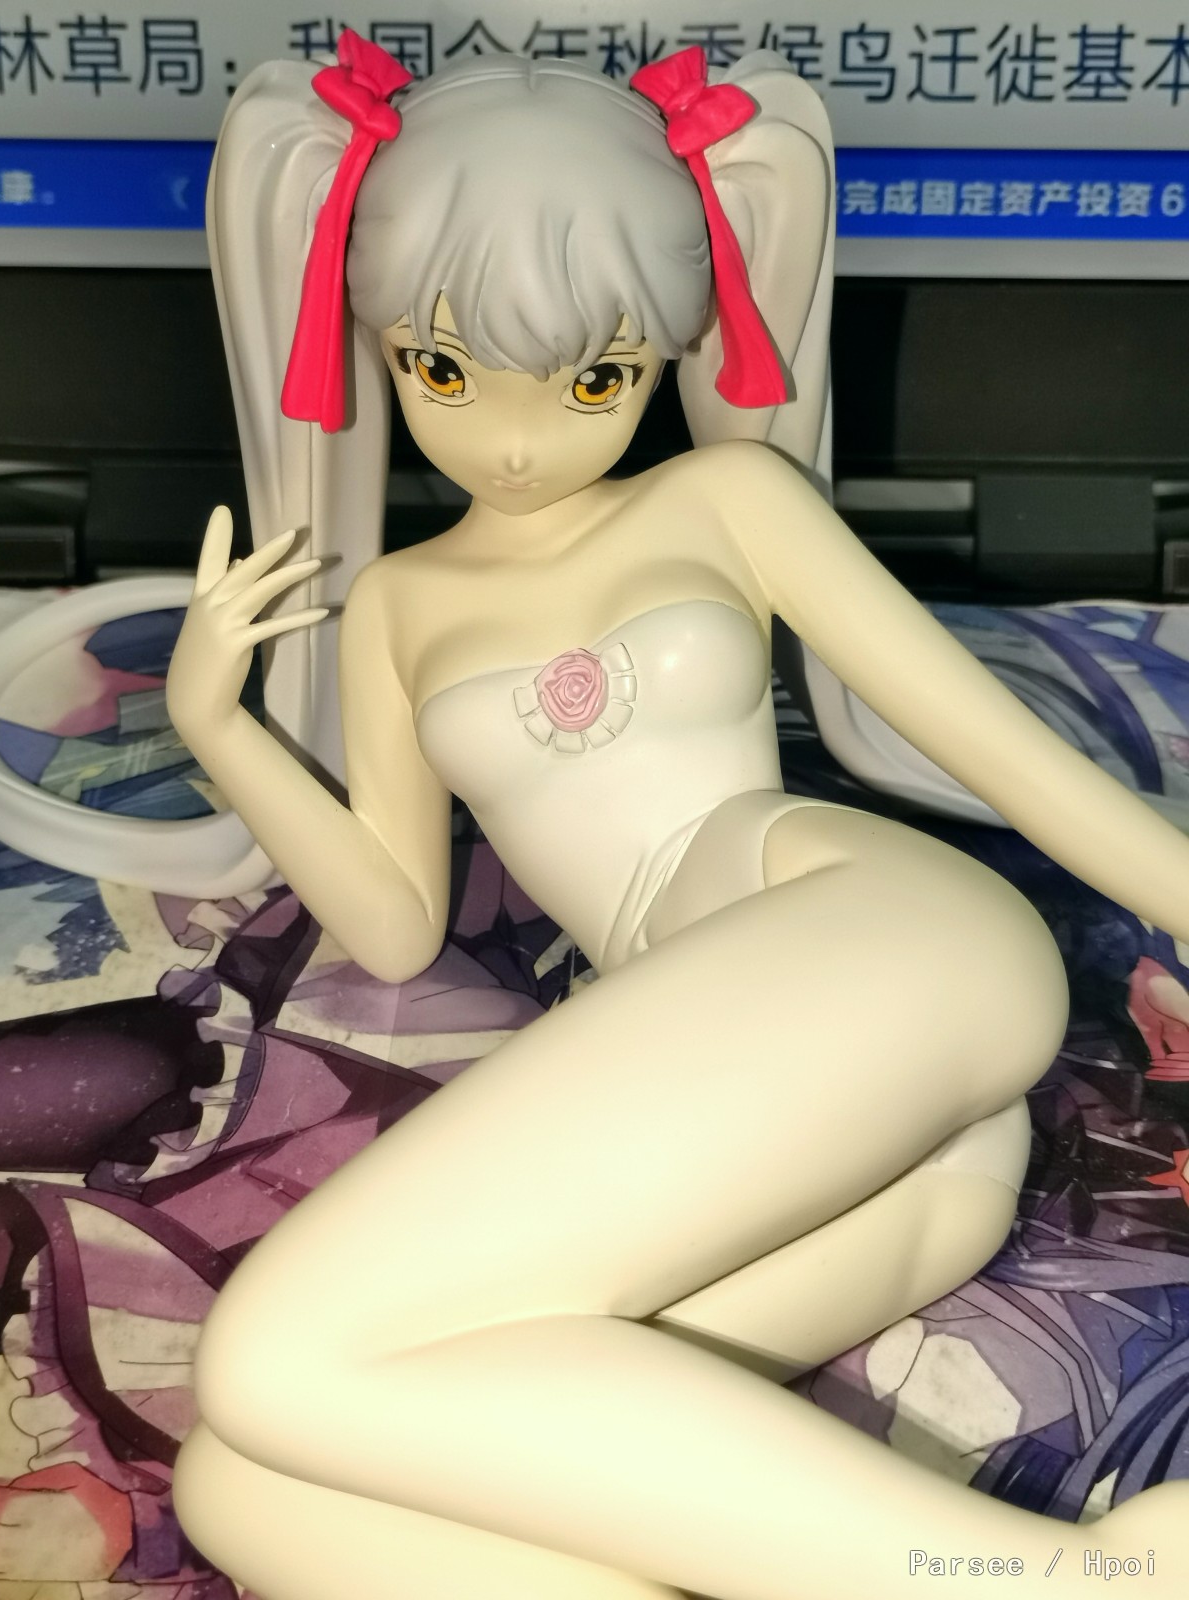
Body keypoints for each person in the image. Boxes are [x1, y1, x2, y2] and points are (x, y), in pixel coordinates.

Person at [167, 33, 1189, 1600]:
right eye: (441, 369)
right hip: (833, 1139)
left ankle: (1088, 1585)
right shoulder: (396, 606)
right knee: (253, 1480)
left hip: (877, 947)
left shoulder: (723, 501)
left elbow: (1013, 760)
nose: (513, 437)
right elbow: (393, 923)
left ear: (660, 358)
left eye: (593, 377)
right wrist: (215, 726)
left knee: (274, 1358)